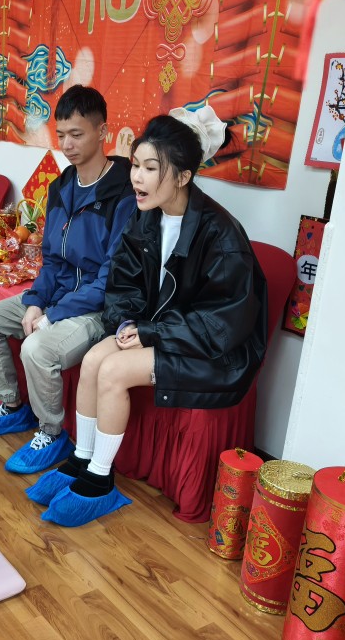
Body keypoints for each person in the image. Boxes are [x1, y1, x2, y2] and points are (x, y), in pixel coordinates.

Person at [28, 106, 268, 527]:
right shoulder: (146, 218)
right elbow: (122, 285)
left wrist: (151, 332)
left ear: (183, 176)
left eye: (150, 168)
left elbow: (222, 324)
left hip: (215, 353)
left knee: (113, 370)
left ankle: (100, 480)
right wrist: (127, 325)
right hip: (164, 332)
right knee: (93, 360)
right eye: (136, 165)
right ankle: (82, 459)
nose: (136, 177)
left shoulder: (221, 234)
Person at [0, 85, 137, 474]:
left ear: (102, 131)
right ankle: (12, 404)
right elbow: (51, 260)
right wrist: (35, 302)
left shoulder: (125, 194)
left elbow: (110, 278)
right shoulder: (61, 187)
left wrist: (53, 315)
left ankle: (52, 432)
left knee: (36, 349)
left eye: (77, 134)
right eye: (61, 135)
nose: (67, 145)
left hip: (96, 309)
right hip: (59, 295)